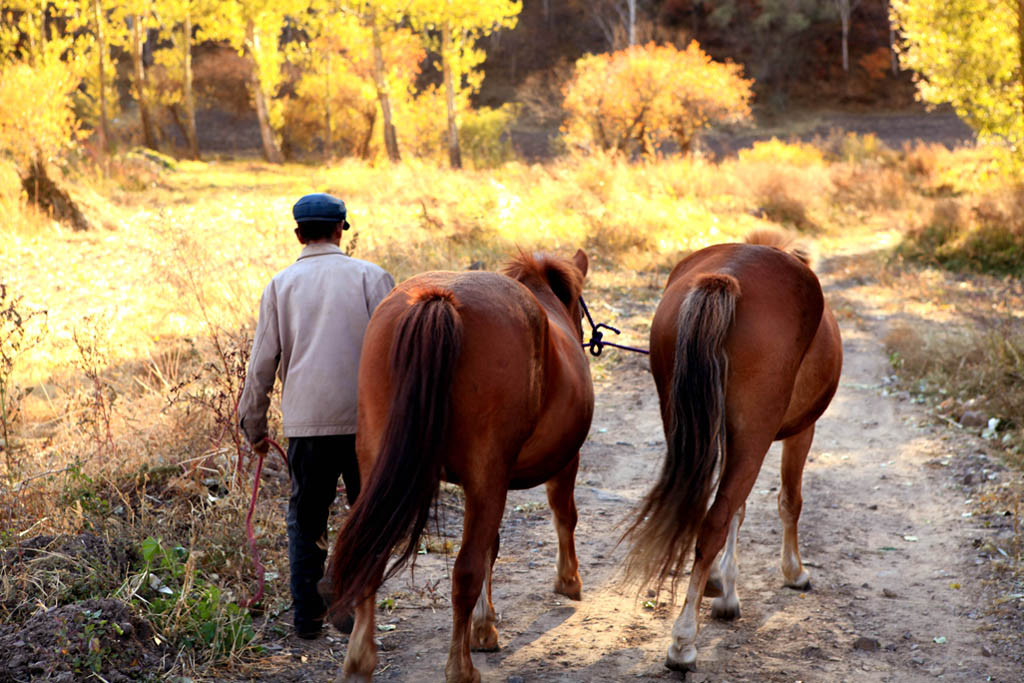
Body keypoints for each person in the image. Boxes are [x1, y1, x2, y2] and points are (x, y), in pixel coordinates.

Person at [238, 192, 395, 639]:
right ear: (341, 229)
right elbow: (397, 356)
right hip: (369, 423)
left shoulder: (280, 286)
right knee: (367, 514)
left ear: (298, 234)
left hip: (307, 426)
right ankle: (352, 600)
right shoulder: (373, 278)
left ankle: (307, 618)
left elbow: (262, 365)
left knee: (305, 521)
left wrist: (254, 425)